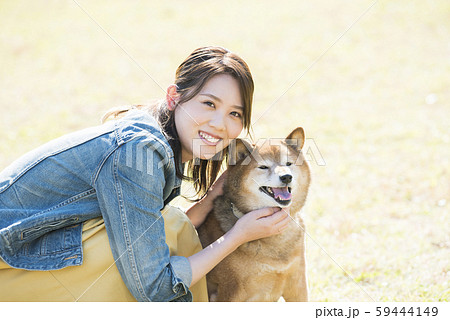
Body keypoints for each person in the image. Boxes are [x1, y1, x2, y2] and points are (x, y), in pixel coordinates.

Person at [0, 46, 290, 302]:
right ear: (174, 97)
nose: (219, 124)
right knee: (174, 229)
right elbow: (154, 287)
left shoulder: (154, 140)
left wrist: (211, 198)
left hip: (23, 253)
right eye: (209, 104)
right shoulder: (138, 152)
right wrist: (238, 236)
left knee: (172, 226)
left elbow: (143, 232)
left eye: (235, 114)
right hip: (9, 264)